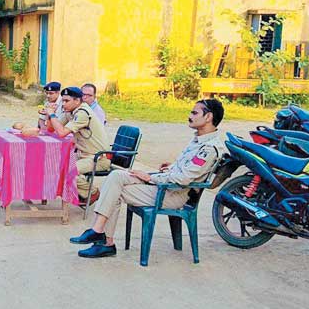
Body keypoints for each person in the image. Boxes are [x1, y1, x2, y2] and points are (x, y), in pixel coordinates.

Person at [71, 99, 227, 258]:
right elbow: (187, 168)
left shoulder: (209, 148)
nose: (190, 116)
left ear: (208, 117)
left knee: (114, 191)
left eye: (194, 113)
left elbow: (183, 179)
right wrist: (171, 167)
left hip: (174, 194)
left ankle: (103, 239)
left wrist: (150, 178)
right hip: (167, 185)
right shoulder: (198, 140)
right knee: (116, 176)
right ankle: (100, 234)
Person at [42, 86, 111, 203]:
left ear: (77, 101)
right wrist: (50, 115)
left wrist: (52, 115)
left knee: (67, 172)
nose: (63, 104)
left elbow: (62, 133)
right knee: (52, 164)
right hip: (82, 155)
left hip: (98, 158)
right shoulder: (71, 111)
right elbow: (51, 129)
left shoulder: (83, 113)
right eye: (63, 101)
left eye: (66, 101)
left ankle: (92, 192)